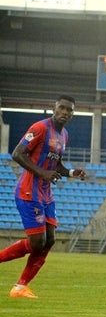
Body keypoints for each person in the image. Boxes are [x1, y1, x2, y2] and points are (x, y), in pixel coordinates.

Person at [0, 95, 86, 299]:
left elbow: (56, 165)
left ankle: (20, 287)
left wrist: (72, 172)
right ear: (54, 108)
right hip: (29, 191)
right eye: (62, 108)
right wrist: (42, 173)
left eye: (69, 110)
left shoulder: (64, 134)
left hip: (46, 193)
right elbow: (17, 153)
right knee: (37, 242)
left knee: (50, 240)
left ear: (72, 114)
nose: (65, 112)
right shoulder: (40, 128)